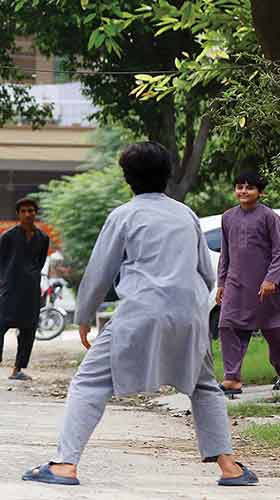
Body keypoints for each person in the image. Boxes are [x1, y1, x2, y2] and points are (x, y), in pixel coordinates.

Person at [23, 142, 258, 487]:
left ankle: (64, 465)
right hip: (189, 314)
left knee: (89, 382)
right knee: (204, 387)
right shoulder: (186, 214)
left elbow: (101, 271)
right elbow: (205, 274)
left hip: (142, 311)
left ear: (127, 179)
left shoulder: (124, 215)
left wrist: (85, 315)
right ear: (168, 175)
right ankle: (230, 467)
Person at [215, 171, 280, 394]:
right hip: (235, 284)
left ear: (260, 192)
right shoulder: (227, 217)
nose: (243, 191)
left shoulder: (269, 217)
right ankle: (232, 379)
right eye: (239, 187)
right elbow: (225, 253)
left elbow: (279, 251)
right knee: (227, 325)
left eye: (249, 187)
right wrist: (221, 282)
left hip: (265, 286)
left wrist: (272, 278)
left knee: (275, 332)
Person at [0, 198, 49, 381]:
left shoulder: (42, 238)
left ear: (35, 213)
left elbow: (40, 262)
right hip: (10, 288)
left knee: (29, 330)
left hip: (31, 290)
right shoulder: (8, 236)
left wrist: (32, 277)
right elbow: (1, 265)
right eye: (24, 211)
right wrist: (7, 281)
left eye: (31, 211)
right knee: (1, 326)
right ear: (18, 214)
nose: (28, 214)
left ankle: (17, 369)